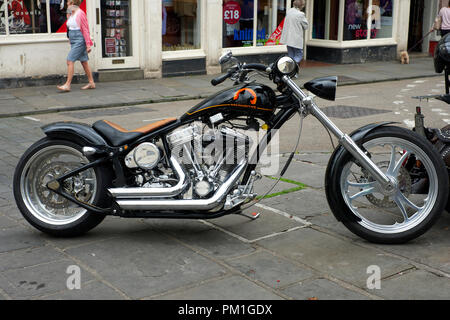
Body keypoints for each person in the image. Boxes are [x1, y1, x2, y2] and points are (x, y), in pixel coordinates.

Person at [57, 0, 95, 92]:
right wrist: (70, 37)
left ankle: (67, 85)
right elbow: (69, 27)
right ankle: (91, 83)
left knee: (70, 60)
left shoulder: (80, 14)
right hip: (74, 39)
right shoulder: (71, 13)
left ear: (73, 4)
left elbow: (85, 29)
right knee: (84, 61)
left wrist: (88, 44)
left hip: (80, 39)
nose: (66, 4)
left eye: (68, 3)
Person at [280, 0, 309, 65]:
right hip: (296, 39)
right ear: (301, 6)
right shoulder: (301, 14)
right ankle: (292, 67)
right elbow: (306, 26)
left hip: (288, 38)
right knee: (299, 55)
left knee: (291, 55)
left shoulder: (289, 11)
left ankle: (290, 71)